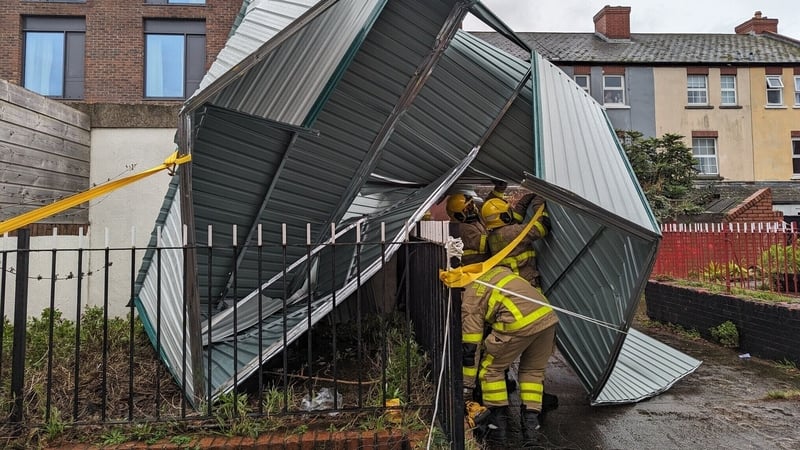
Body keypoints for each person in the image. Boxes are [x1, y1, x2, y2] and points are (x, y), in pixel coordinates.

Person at [461, 265, 559, 448]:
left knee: (490, 370)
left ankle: (498, 432)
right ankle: (531, 433)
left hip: (518, 321)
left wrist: (467, 386)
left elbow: (470, 347)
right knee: (533, 373)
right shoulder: (495, 272)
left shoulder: (469, 298)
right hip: (547, 317)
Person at [481, 191, 551, 287]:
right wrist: (538, 203)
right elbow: (543, 226)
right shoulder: (512, 232)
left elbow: (514, 221)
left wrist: (523, 203)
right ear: (504, 217)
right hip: (527, 284)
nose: (510, 213)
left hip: (511, 285)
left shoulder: (491, 237)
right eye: (508, 212)